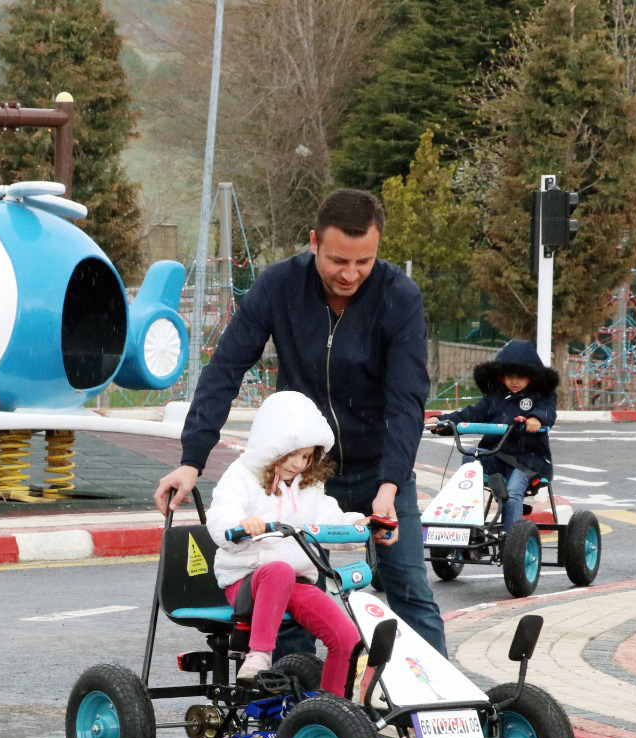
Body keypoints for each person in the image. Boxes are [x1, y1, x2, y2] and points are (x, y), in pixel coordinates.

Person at [153, 188, 447, 657]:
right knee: (290, 602)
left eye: (364, 261)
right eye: (337, 261)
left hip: (378, 473)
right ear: (314, 242)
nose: (350, 274)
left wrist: (390, 486)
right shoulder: (278, 287)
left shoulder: (399, 296)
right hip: (300, 475)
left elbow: (407, 399)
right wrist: (192, 461)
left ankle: (440, 711)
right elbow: (225, 369)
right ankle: (296, 715)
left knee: (410, 592)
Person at [205, 392, 364, 696]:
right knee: (277, 570)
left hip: (295, 584)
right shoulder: (241, 476)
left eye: (306, 456)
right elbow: (222, 514)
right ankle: (259, 656)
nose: (298, 464)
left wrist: (357, 525)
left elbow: (330, 519)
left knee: (346, 636)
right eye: (291, 453)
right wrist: (240, 525)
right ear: (272, 445)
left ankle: (331, 711)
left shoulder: (308, 487)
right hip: (248, 581)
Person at [429, 338, 557, 531]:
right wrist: (443, 422)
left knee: (513, 493)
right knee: (471, 457)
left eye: (520, 376)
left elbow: (548, 411)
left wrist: (536, 419)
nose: (514, 381)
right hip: (495, 456)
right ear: (500, 376)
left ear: (533, 376)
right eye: (509, 376)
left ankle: (511, 540)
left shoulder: (541, 396)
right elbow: (470, 413)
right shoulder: (495, 398)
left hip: (527, 460)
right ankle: (468, 525)